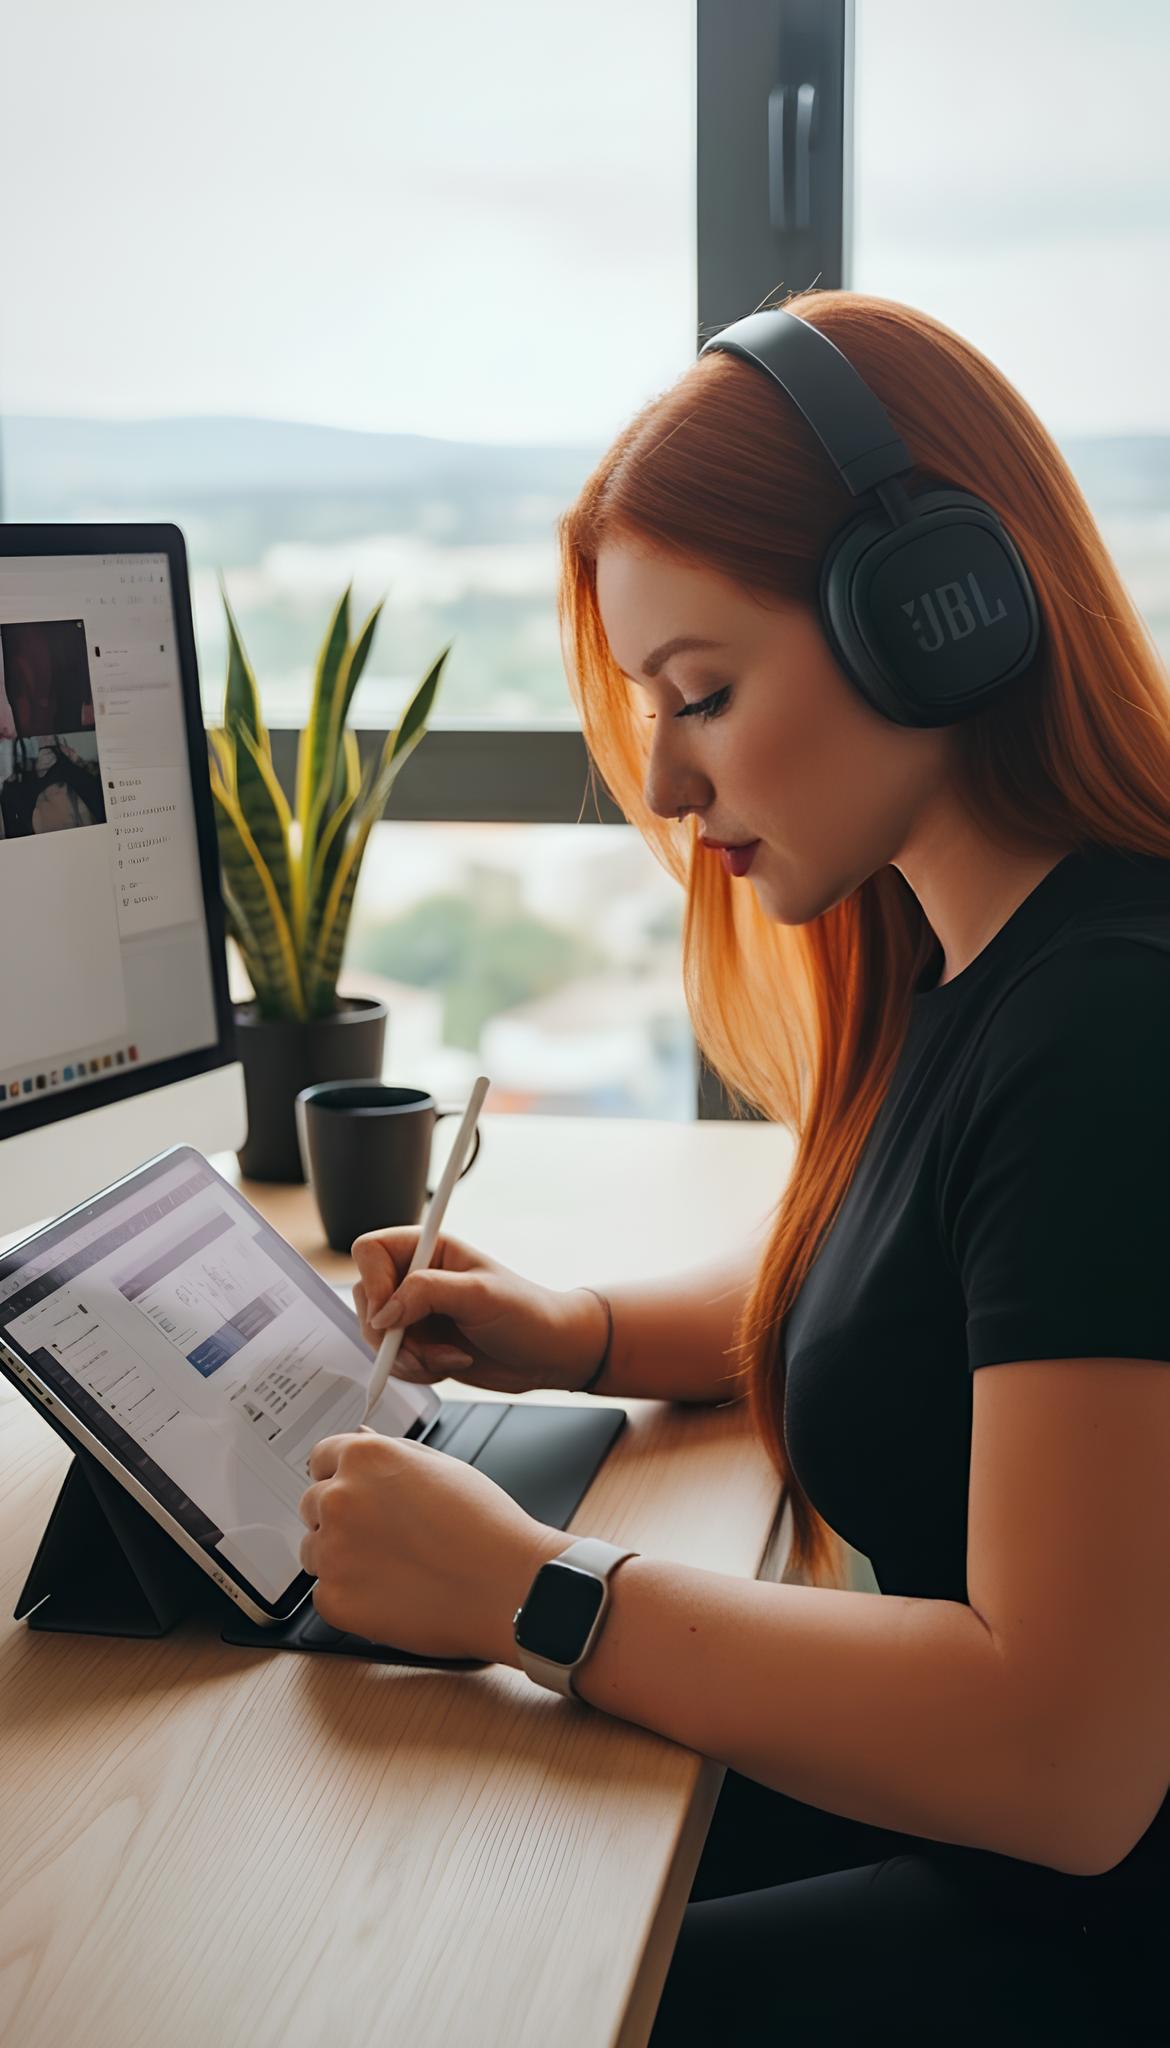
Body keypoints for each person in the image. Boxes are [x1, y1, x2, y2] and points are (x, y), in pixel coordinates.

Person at [297, 289, 1170, 2044]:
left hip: (1088, 1914)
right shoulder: (975, 948)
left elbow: (1072, 1761)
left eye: (700, 692)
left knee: (458, 1984)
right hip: (1011, 1847)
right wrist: (582, 1330)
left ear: (933, 623)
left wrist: (526, 1591)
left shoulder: (1108, 1034)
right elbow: (923, 1281)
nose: (668, 778)